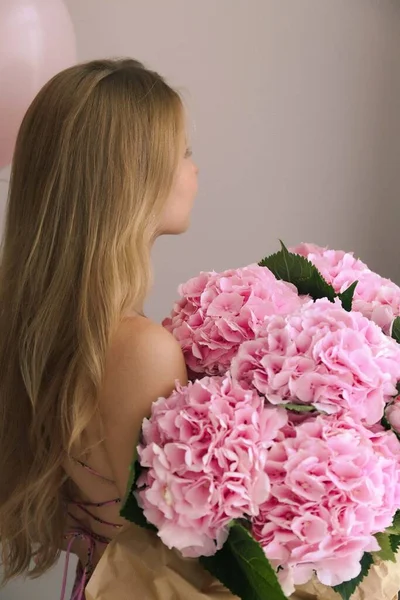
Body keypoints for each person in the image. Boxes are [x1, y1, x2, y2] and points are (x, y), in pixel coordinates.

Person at [0, 58, 198, 599]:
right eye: (183, 151)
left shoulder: (52, 330)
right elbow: (186, 553)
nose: (194, 169)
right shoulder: (138, 349)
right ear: (133, 177)